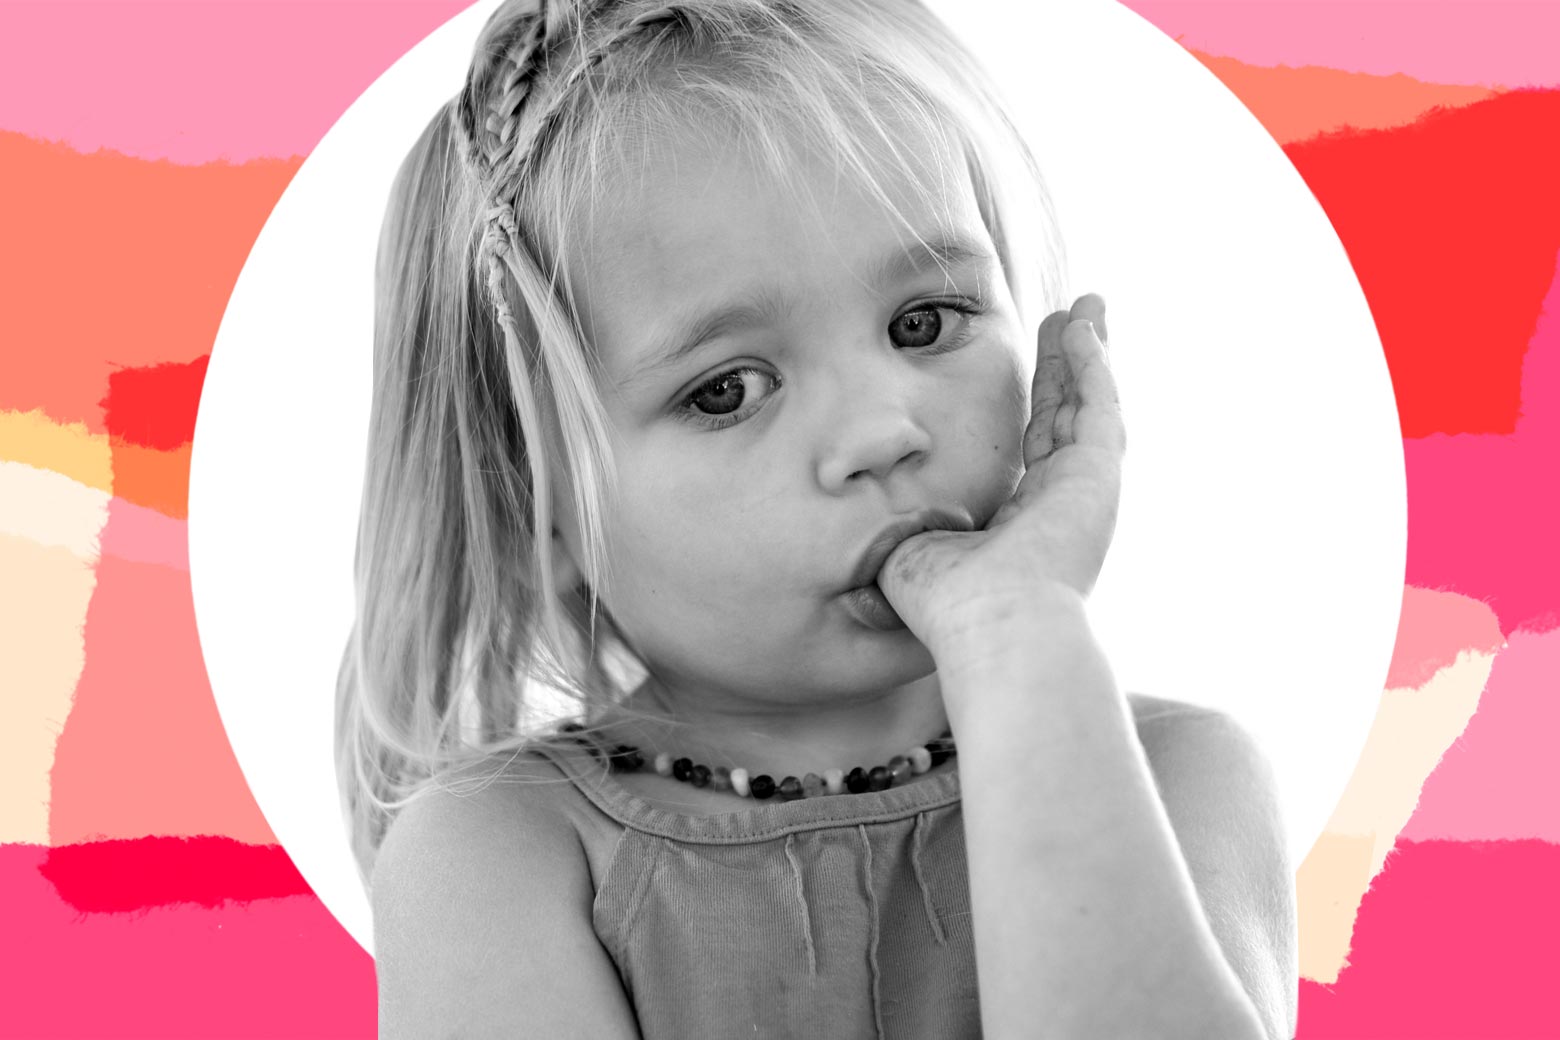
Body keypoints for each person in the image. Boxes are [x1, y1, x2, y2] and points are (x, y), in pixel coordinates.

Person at [336, 0, 1298, 1035]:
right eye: (727, 389)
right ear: (538, 502)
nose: (884, 431)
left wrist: (1019, 635)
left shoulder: (1180, 775)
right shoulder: (494, 853)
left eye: (922, 322)